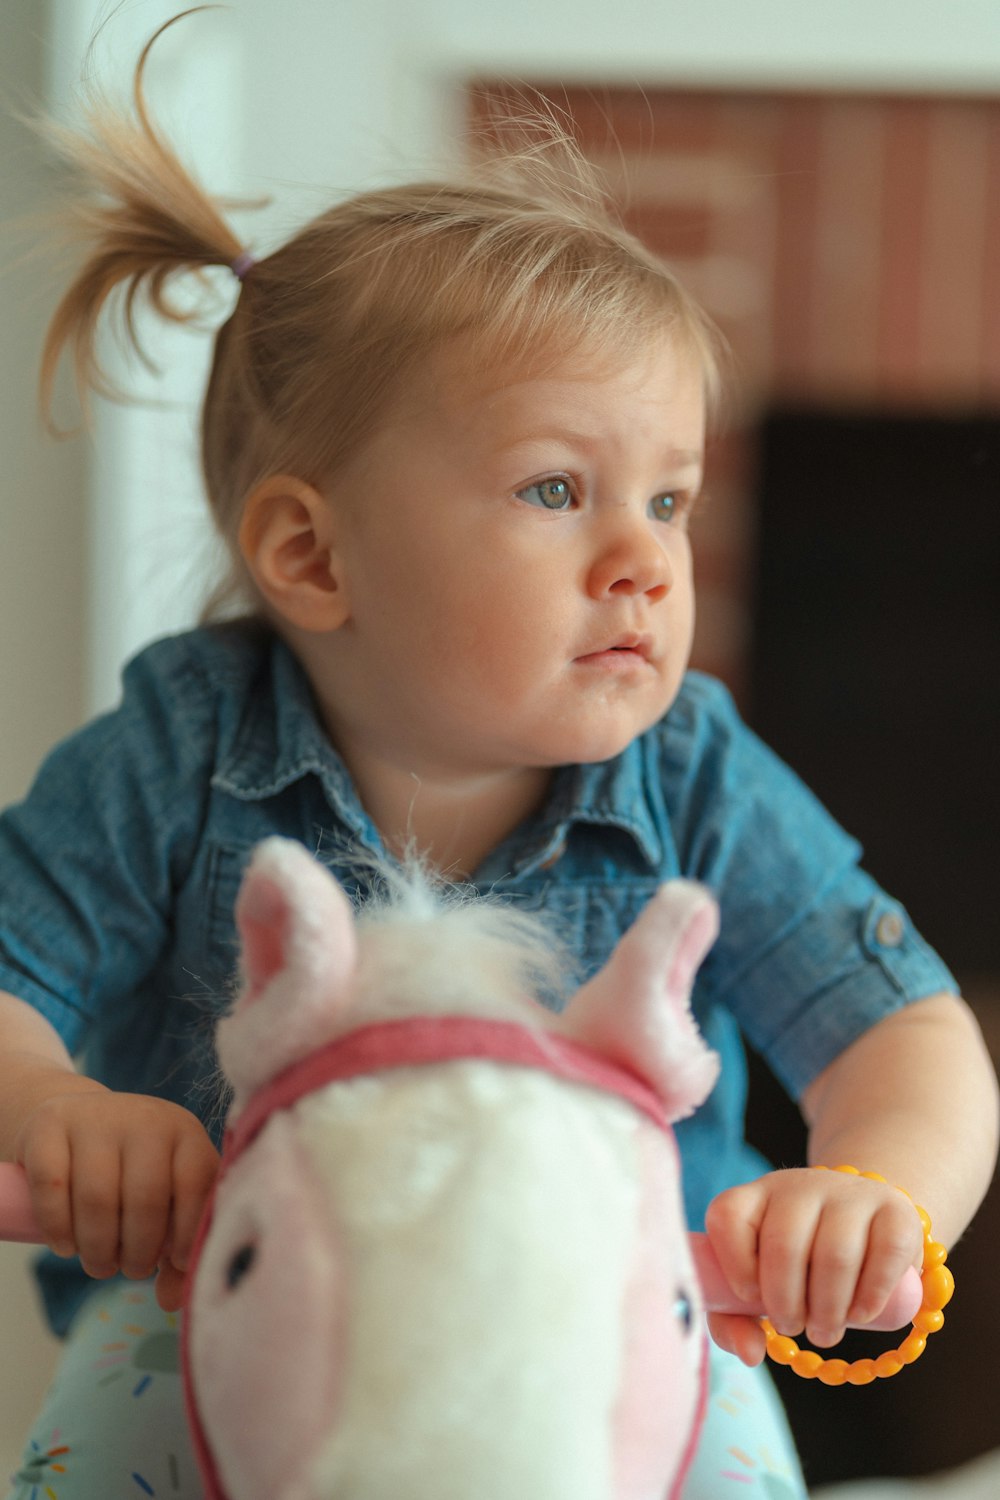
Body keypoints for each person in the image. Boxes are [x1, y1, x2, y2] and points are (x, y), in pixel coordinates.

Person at [1, 14, 997, 1500]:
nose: (647, 563)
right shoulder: (178, 754)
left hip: (626, 1326)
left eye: (668, 500)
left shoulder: (698, 772)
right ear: (310, 553)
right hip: (229, 1315)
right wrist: (63, 1115)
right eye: (556, 487)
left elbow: (905, 1034)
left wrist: (874, 1195)